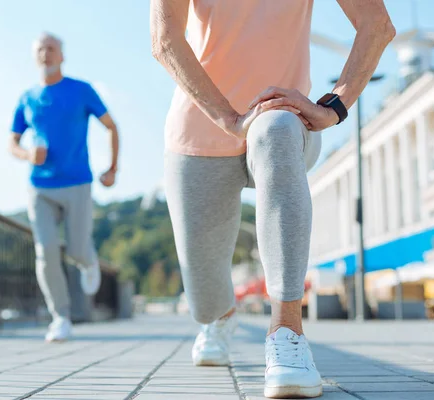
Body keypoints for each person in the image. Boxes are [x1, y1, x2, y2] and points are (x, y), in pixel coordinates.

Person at [150, 0, 395, 398]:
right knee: (204, 302)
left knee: (275, 129)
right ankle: (221, 316)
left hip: (284, 116)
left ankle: (286, 334)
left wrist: (334, 106)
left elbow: (377, 25)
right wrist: (230, 119)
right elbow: (164, 40)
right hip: (201, 130)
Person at [9, 33, 119, 342]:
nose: (46, 53)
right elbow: (12, 142)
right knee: (45, 252)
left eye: (51, 48)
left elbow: (111, 126)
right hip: (39, 186)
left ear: (62, 56)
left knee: (76, 250)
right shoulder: (27, 98)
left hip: (78, 183)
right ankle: (60, 317)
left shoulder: (81, 90)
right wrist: (27, 154)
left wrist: (112, 168)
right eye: (40, 49)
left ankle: (88, 258)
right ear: (35, 57)